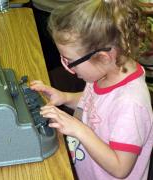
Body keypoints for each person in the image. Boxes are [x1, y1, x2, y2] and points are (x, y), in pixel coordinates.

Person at [30, 0, 153, 180]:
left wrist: (79, 130)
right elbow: (97, 102)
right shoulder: (104, 73)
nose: (66, 67)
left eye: (70, 61)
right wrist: (65, 97)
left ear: (103, 57)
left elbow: (120, 168)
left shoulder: (131, 105)